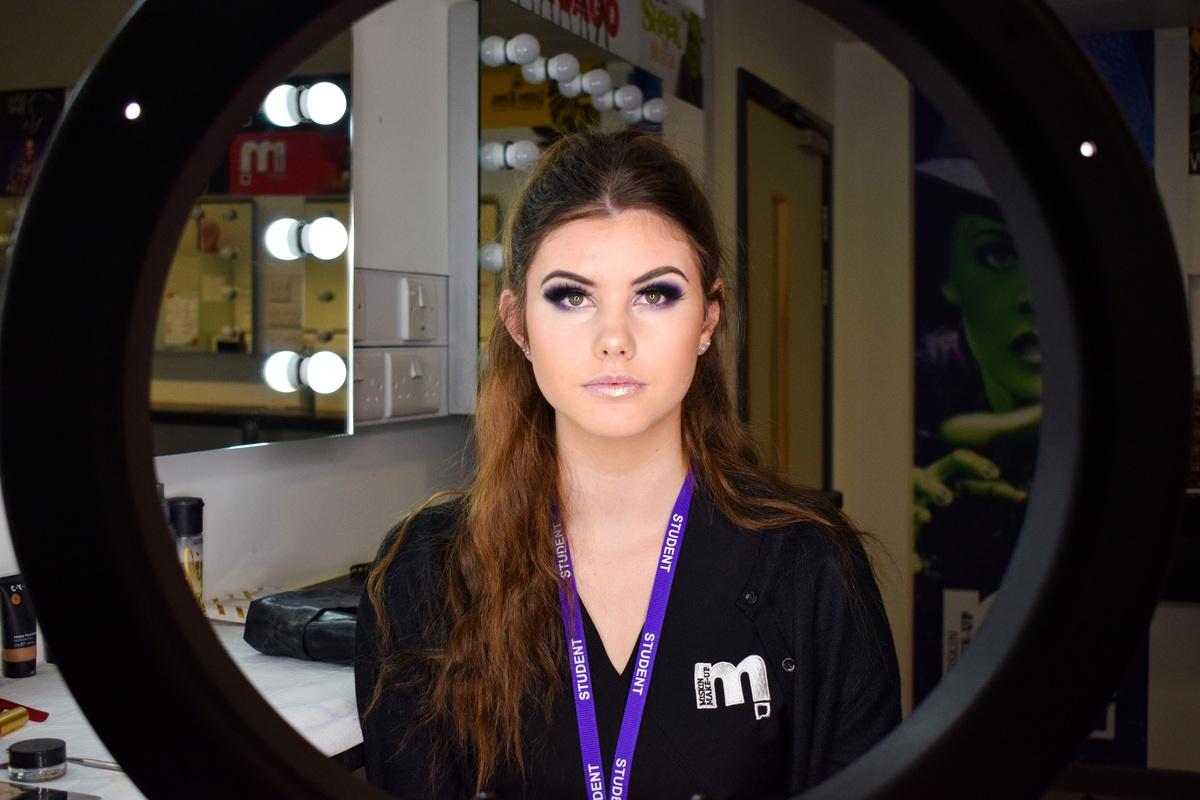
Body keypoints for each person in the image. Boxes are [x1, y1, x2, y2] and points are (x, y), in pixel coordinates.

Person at [355, 129, 900, 799]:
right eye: (572, 296)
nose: (615, 339)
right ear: (519, 325)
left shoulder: (812, 566)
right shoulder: (425, 572)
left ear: (707, 318)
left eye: (656, 294)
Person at [911, 143, 1041, 700]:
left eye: (1052, 260)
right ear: (950, 278)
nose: (1034, 296)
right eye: (996, 255)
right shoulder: (924, 370)